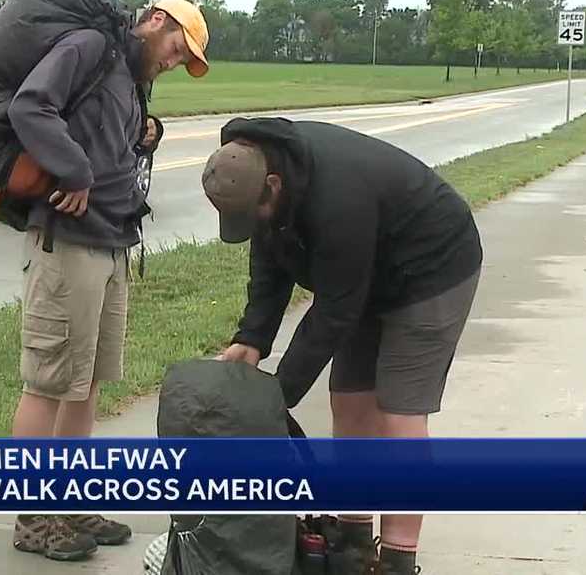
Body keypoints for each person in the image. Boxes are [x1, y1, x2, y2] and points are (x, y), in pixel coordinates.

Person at [203, 116, 482, 575]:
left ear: (273, 185)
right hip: (365, 275)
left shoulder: (337, 198)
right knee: (350, 401)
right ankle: (353, 535)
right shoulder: (264, 176)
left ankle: (397, 556)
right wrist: (251, 339)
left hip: (432, 268)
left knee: (400, 412)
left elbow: (335, 310)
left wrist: (278, 393)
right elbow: (272, 261)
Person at [8, 0, 209, 562]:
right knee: (48, 382)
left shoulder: (129, 76)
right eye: (178, 47)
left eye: (185, 57)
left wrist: (145, 133)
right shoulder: (90, 48)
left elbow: (103, 139)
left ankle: (67, 502)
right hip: (67, 242)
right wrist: (71, 168)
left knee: (87, 381)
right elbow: (30, 107)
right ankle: (32, 517)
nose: (175, 60)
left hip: (111, 241)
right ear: (156, 20)